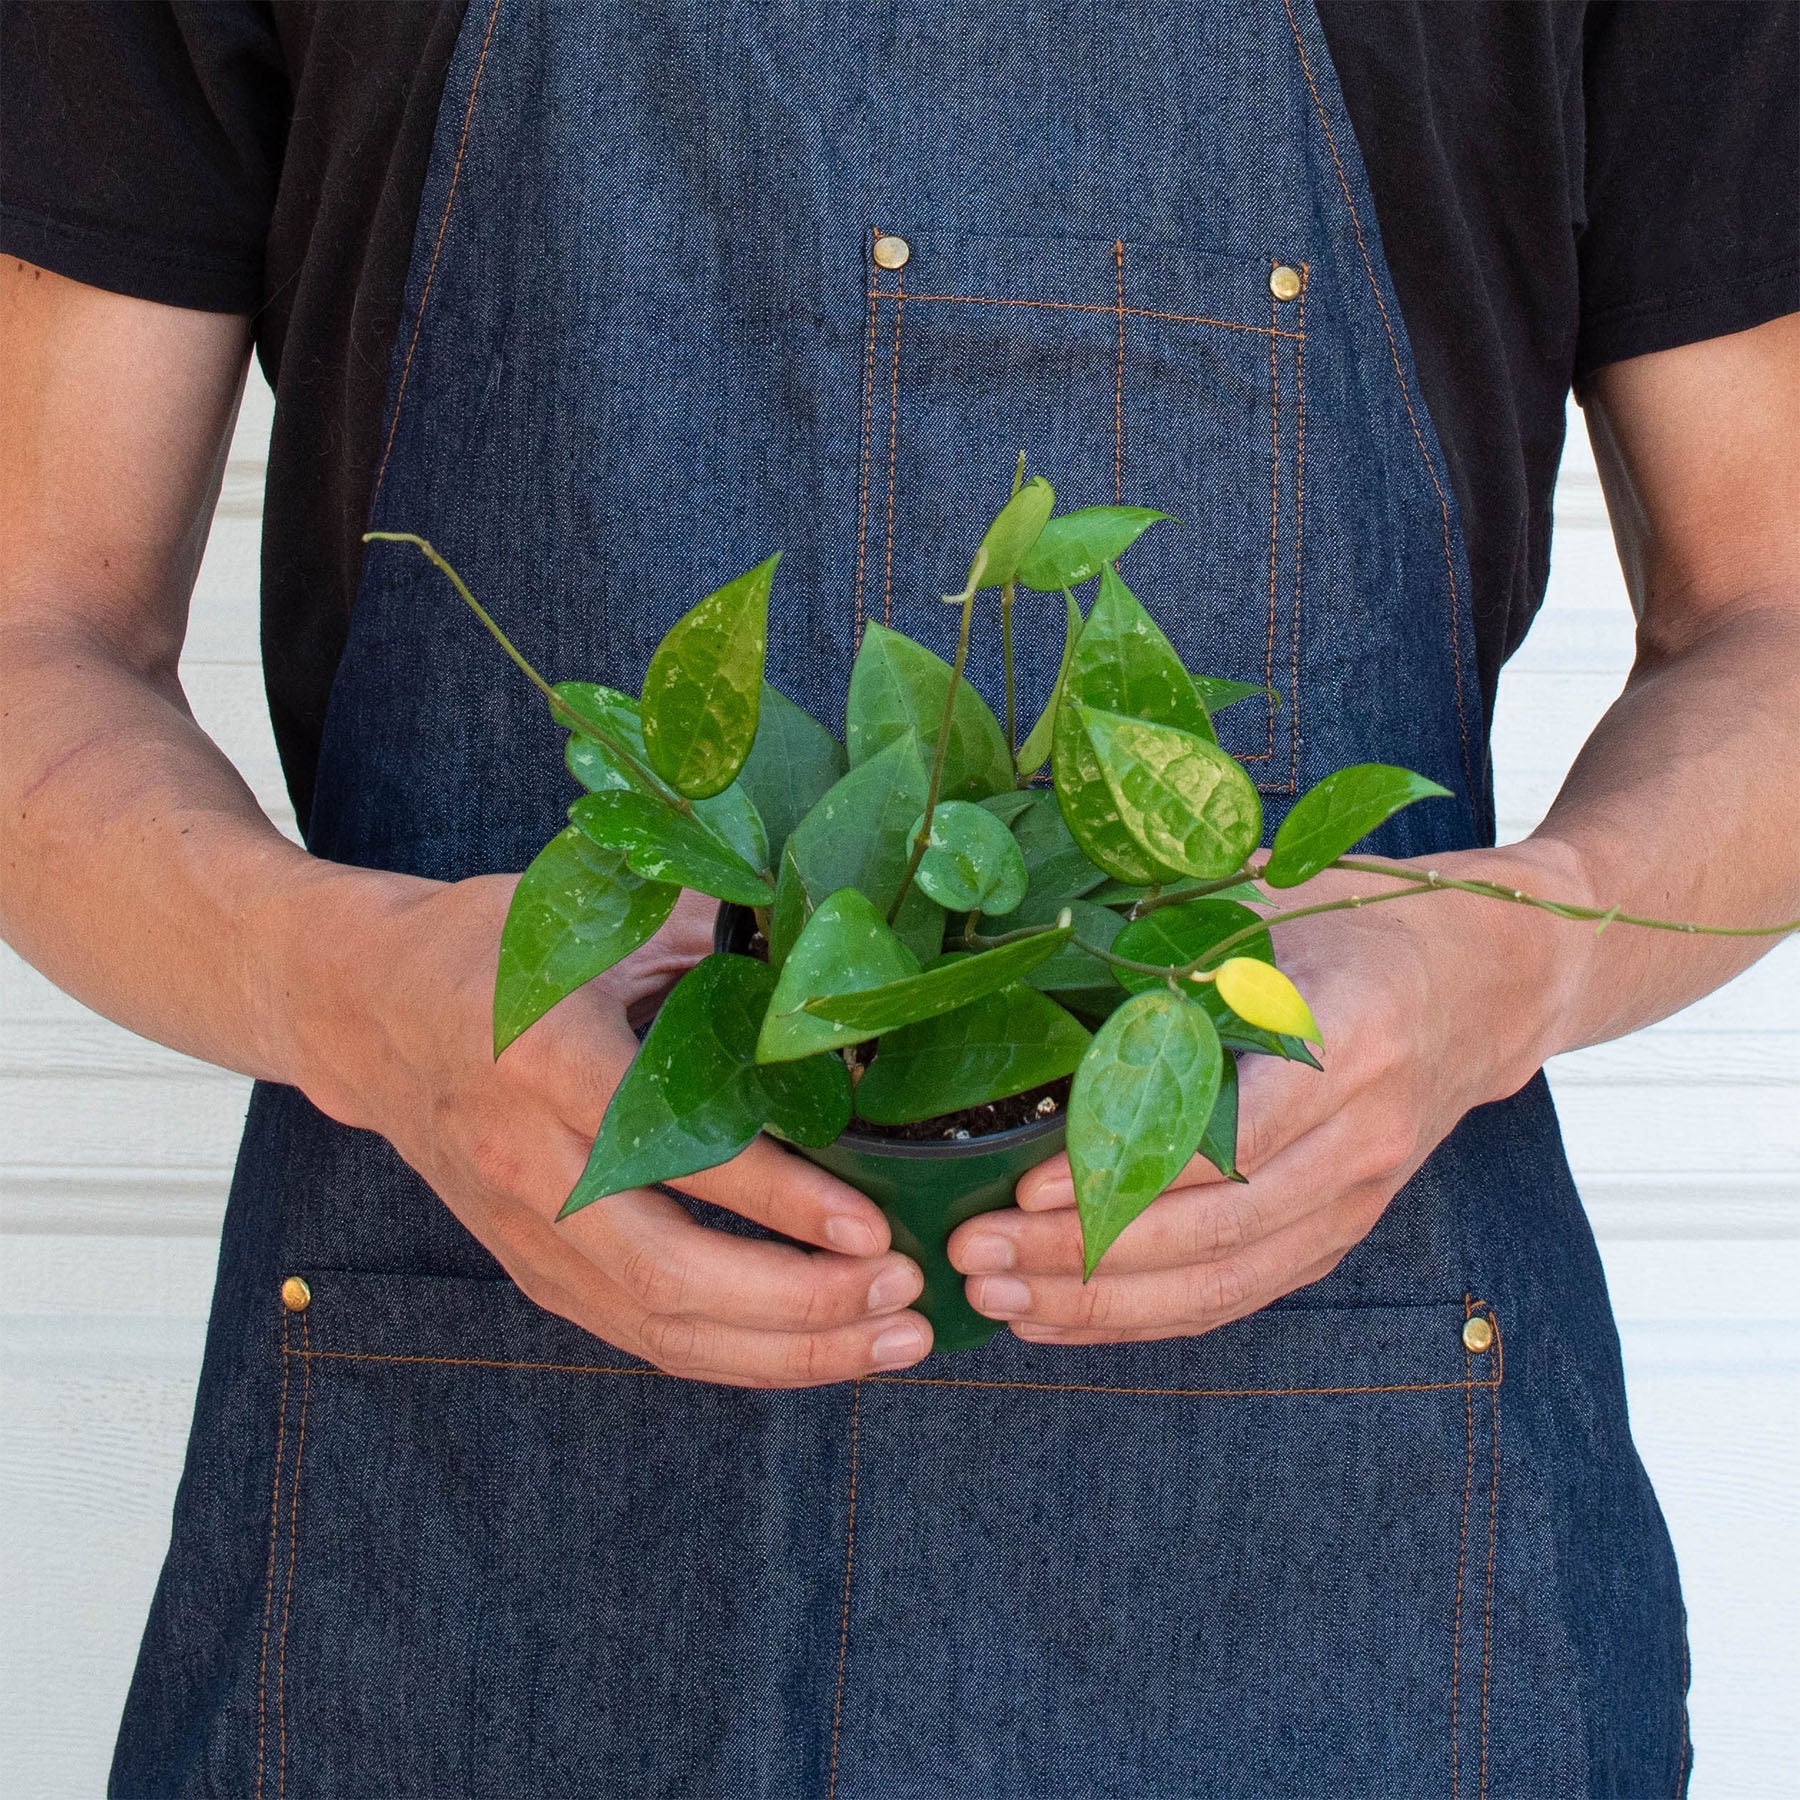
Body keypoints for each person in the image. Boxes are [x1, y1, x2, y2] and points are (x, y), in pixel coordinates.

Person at [2, 2, 1795, 1793]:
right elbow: (36, 635)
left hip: (1352, 1545)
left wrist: (1509, 968)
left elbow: (1768, 615)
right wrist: (360, 993)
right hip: (468, 1518)